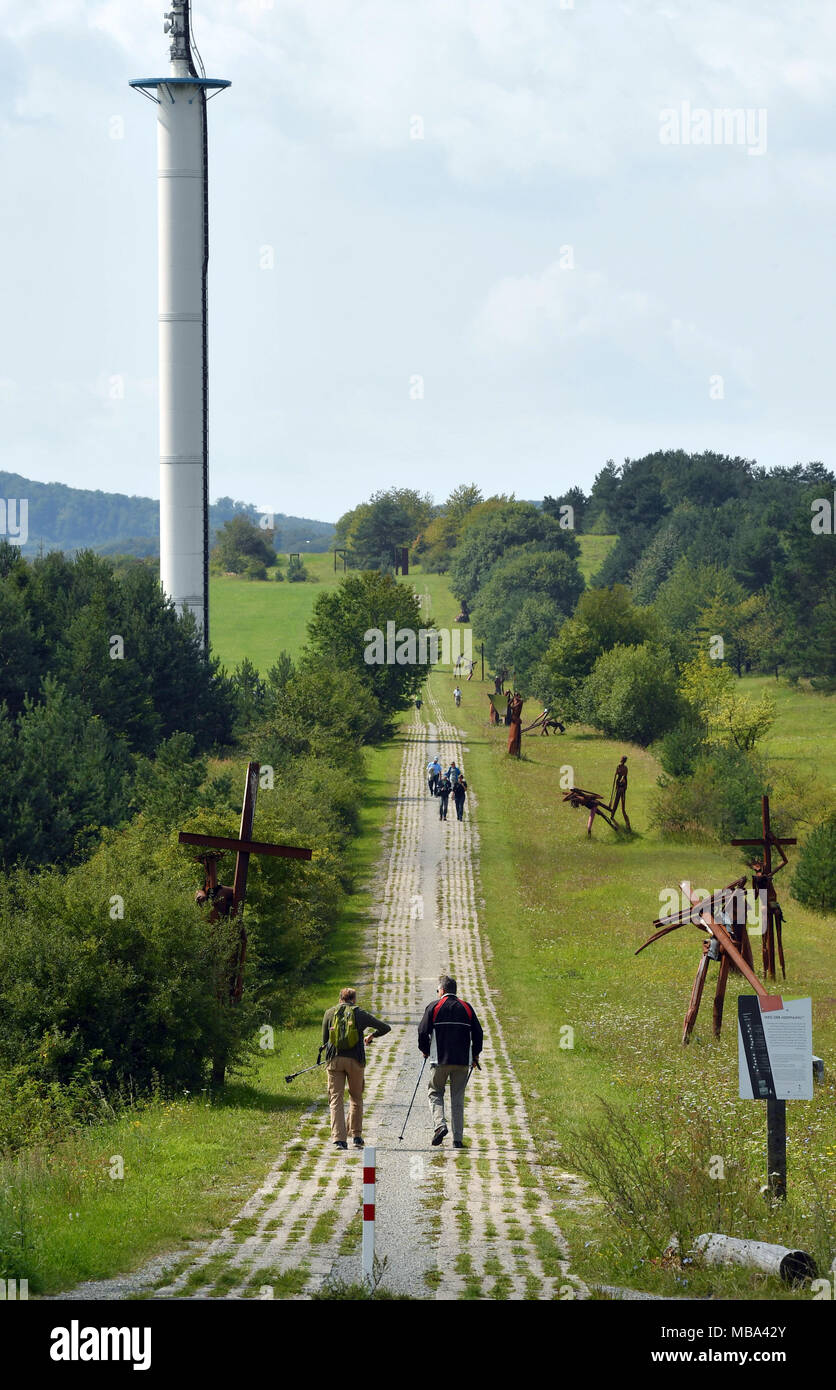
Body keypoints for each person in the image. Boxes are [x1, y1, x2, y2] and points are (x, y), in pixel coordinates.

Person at [418, 975, 483, 1148]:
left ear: (442, 990)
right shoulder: (467, 1008)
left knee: (435, 1092)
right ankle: (458, 1140)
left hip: (440, 1060)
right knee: (457, 1098)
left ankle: (440, 1126)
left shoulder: (434, 1006)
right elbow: (478, 1033)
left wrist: (424, 1050)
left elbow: (422, 1031)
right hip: (462, 1061)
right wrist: (475, 1055)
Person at [322, 988, 391, 1150]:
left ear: (340, 999)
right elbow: (385, 1027)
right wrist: (371, 1036)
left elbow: (325, 1041)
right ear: (354, 1000)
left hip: (334, 1061)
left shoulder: (330, 1013)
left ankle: (339, 1139)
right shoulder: (359, 1014)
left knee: (336, 1099)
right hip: (355, 1061)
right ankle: (356, 1136)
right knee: (356, 1097)